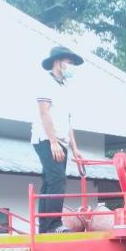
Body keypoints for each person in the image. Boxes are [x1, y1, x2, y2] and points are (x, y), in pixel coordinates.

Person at [31, 46, 84, 233]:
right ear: (57, 62)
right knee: (57, 179)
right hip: (46, 139)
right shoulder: (45, 83)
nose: (71, 66)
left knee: (50, 181)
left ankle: (45, 228)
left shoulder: (66, 88)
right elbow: (44, 113)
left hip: (61, 141)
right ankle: (53, 225)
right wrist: (53, 142)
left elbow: (68, 121)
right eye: (69, 62)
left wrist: (74, 148)